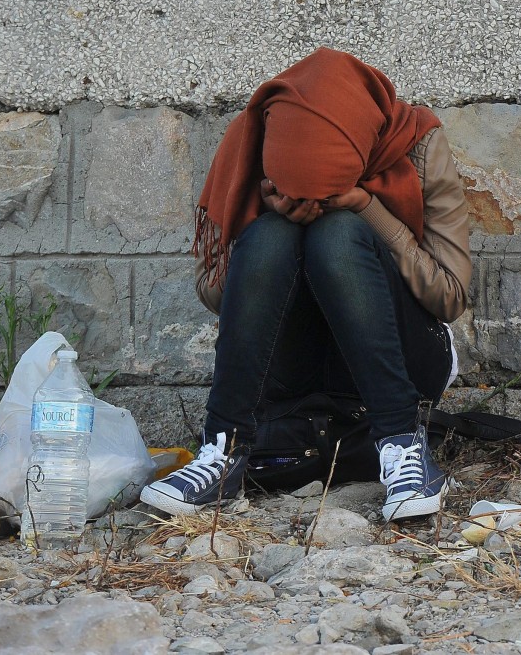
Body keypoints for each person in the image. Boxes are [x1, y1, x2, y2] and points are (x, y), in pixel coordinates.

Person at [140, 48, 471, 522]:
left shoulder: (416, 140)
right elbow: (216, 296)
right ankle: (223, 449)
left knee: (337, 235)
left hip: (403, 357)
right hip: (298, 369)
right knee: (273, 235)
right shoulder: (257, 143)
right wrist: (265, 217)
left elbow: (451, 296)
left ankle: (401, 442)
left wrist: (365, 209)